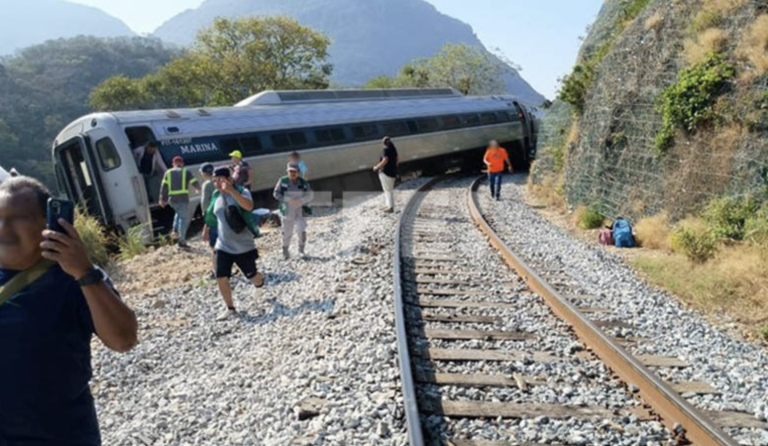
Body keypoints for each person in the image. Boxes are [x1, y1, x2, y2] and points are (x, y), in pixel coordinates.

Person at [0, 176, 137, 446]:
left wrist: (84, 272)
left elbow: (123, 340)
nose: (4, 228)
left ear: (49, 224)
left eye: (18, 218)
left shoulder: (74, 278)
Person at [203, 167, 265, 321]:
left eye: (220, 180)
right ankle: (230, 308)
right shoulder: (216, 195)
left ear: (229, 179)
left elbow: (248, 206)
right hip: (222, 245)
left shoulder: (242, 191)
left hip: (243, 245)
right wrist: (206, 228)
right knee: (221, 276)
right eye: (214, 181)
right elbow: (212, 214)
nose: (217, 184)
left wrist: (231, 191)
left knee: (253, 276)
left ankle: (259, 284)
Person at [273, 163, 314, 260]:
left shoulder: (303, 182)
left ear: (298, 172)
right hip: (287, 210)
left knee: (301, 230)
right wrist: (288, 200)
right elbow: (276, 193)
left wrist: (301, 201)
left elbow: (310, 195)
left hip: (301, 209)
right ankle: (285, 251)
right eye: (290, 171)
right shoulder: (282, 181)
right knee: (287, 232)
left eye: (294, 171)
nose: (292, 173)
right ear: (287, 171)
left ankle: (301, 251)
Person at [159, 156, 200, 248]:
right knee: (184, 219)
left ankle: (175, 230)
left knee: (178, 213)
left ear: (173, 164)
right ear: (182, 164)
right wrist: (198, 188)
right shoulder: (186, 171)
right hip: (183, 199)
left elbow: (164, 186)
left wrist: (162, 199)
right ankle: (182, 241)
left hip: (172, 200)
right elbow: (194, 181)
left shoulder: (168, 172)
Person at [372, 136, 399, 213]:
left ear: (383, 143)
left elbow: (385, 160)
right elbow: (397, 160)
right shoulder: (394, 150)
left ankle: (390, 207)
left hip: (385, 173)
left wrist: (376, 167)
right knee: (388, 190)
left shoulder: (385, 150)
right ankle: (388, 205)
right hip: (392, 173)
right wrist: (393, 168)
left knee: (388, 190)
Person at [199, 163, 217, 275]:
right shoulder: (218, 182)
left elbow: (205, 204)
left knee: (214, 246)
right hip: (222, 215)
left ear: (204, 173)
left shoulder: (207, 185)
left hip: (212, 218)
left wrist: (206, 223)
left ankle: (217, 271)